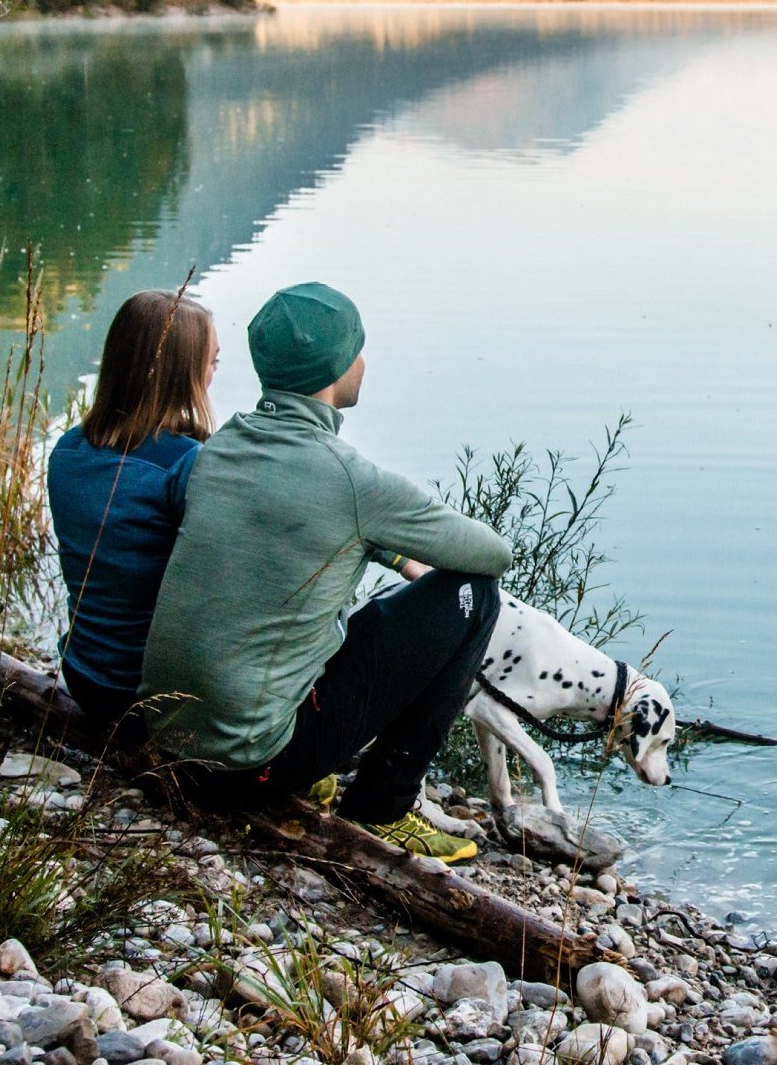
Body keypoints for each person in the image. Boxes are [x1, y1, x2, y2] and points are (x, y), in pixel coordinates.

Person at [140, 282, 511, 864]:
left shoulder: (221, 447)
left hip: (164, 740)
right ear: (335, 369)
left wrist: (376, 546)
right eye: (357, 349)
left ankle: (333, 774)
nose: (364, 362)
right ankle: (384, 810)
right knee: (475, 595)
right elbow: (491, 554)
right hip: (249, 767)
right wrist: (384, 534)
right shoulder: (351, 479)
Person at [48, 290, 219, 730]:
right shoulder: (187, 465)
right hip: (148, 698)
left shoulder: (67, 451)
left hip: (84, 678)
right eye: (212, 361)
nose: (215, 371)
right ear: (184, 372)